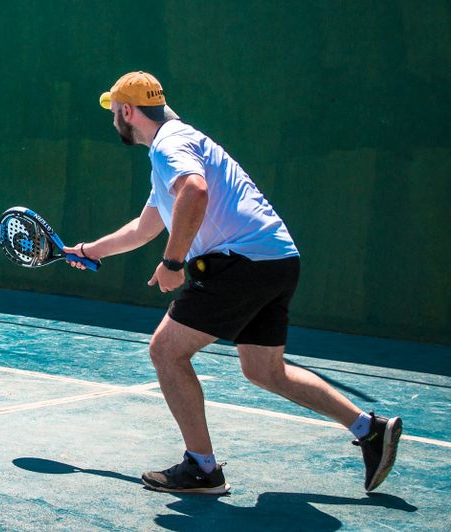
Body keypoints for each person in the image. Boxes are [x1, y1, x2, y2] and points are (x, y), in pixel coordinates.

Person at [64, 71, 402, 494]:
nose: (113, 119)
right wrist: (91, 249)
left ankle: (202, 468)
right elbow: (144, 227)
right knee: (264, 370)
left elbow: (196, 192)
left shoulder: (170, 146)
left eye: (114, 111)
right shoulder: (179, 144)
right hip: (277, 260)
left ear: (128, 111)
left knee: (166, 352)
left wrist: (174, 262)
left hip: (241, 263)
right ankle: (369, 429)